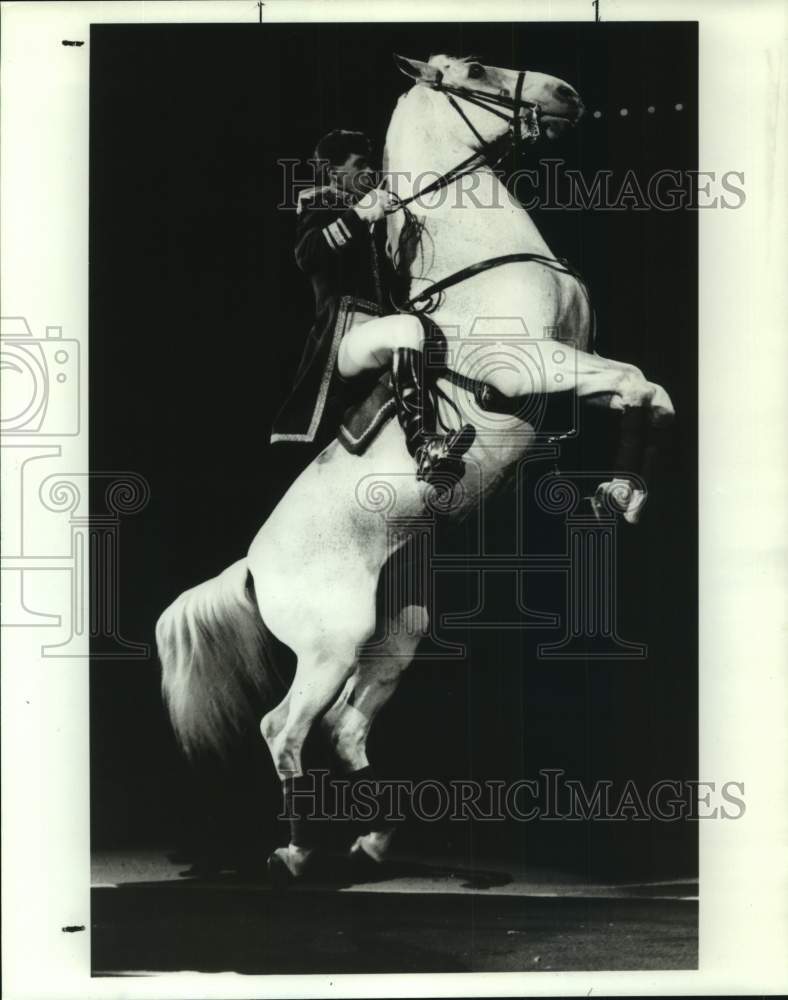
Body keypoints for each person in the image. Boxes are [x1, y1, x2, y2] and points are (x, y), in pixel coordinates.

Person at [270, 128, 473, 482]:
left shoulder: (377, 218)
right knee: (406, 329)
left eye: (371, 165)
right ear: (333, 172)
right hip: (345, 338)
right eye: (360, 164)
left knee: (422, 330)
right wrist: (359, 214)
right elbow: (308, 254)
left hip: (378, 333)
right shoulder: (320, 204)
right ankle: (423, 446)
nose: (370, 172)